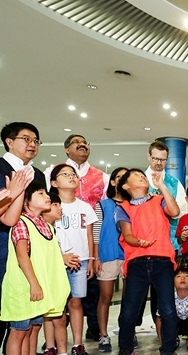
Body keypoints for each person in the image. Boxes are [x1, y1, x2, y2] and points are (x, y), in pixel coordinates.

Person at [44, 134, 110, 342]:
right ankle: (54, 341)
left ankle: (83, 338)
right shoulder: (51, 175)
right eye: (75, 143)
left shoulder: (102, 176)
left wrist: (93, 256)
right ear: (66, 149)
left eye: (85, 142)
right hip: (58, 257)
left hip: (84, 254)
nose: (82, 145)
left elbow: (96, 222)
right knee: (57, 301)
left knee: (83, 297)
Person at [115, 168, 180, 355]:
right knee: (129, 311)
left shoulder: (159, 200)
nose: (141, 176)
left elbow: (174, 211)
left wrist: (161, 186)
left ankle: (168, 349)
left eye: (142, 174)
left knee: (167, 309)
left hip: (163, 262)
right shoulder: (123, 208)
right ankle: (126, 348)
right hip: (137, 263)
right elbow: (127, 235)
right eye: (136, 175)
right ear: (126, 186)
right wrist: (139, 242)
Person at [0, 181, 70, 355]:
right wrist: (34, 284)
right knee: (19, 332)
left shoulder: (45, 225)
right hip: (24, 288)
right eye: (40, 194)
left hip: (38, 289)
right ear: (25, 202)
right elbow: (22, 256)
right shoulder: (21, 222)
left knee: (32, 330)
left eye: (46, 193)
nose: (47, 197)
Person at [0, 122, 47, 347]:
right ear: (9, 142)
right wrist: (12, 192)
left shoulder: (37, 173)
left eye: (36, 141)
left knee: (29, 311)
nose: (32, 144)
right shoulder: (0, 167)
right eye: (26, 139)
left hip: (32, 243)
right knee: (5, 303)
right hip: (3, 240)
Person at [50, 164, 97, 355]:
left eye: (73, 174)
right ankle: (54, 346)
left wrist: (92, 259)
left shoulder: (85, 206)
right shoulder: (50, 206)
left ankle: (78, 344)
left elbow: (90, 235)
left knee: (76, 302)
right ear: (54, 182)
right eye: (65, 174)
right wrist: (59, 258)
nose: (71, 177)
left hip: (81, 260)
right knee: (56, 306)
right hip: (56, 262)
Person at [92, 167, 128, 352]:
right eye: (119, 177)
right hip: (107, 254)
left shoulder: (134, 204)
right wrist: (96, 256)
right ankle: (104, 335)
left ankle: (127, 332)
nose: (122, 180)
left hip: (130, 255)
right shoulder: (103, 204)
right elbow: (96, 232)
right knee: (105, 297)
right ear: (113, 181)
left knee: (129, 298)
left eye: (125, 177)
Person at [42, 192, 81, 355]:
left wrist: (67, 259)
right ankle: (50, 348)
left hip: (57, 281)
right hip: (43, 281)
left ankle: (61, 351)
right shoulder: (36, 228)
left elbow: (68, 253)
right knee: (45, 318)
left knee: (59, 317)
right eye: (55, 204)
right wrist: (61, 258)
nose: (60, 208)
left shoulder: (57, 230)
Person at [146, 140, 188, 251]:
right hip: (144, 239)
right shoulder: (140, 179)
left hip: (169, 241)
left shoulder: (174, 183)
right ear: (149, 156)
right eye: (156, 158)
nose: (159, 163)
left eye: (163, 160)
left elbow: (181, 212)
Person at [155, 267, 188, 351]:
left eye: (186, 276)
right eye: (178, 276)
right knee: (169, 316)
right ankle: (173, 338)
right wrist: (161, 340)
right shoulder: (168, 298)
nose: (182, 278)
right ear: (173, 283)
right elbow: (159, 318)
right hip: (175, 326)